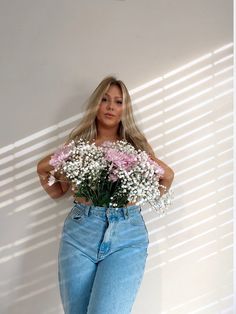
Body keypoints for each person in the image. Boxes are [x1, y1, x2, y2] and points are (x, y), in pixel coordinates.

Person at [37, 76, 174, 314]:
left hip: (127, 237)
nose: (111, 106)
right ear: (96, 104)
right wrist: (48, 175)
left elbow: (167, 176)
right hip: (80, 233)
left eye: (118, 102)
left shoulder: (135, 146)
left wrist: (147, 193)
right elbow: (56, 186)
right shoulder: (80, 145)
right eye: (105, 99)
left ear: (125, 109)